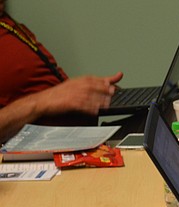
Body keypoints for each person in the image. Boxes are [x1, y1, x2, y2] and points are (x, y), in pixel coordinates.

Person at [0, 1, 123, 142]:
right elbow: (48, 98)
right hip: (49, 148)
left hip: (81, 138)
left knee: (151, 119)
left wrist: (90, 92)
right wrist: (43, 101)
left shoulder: (9, 25)